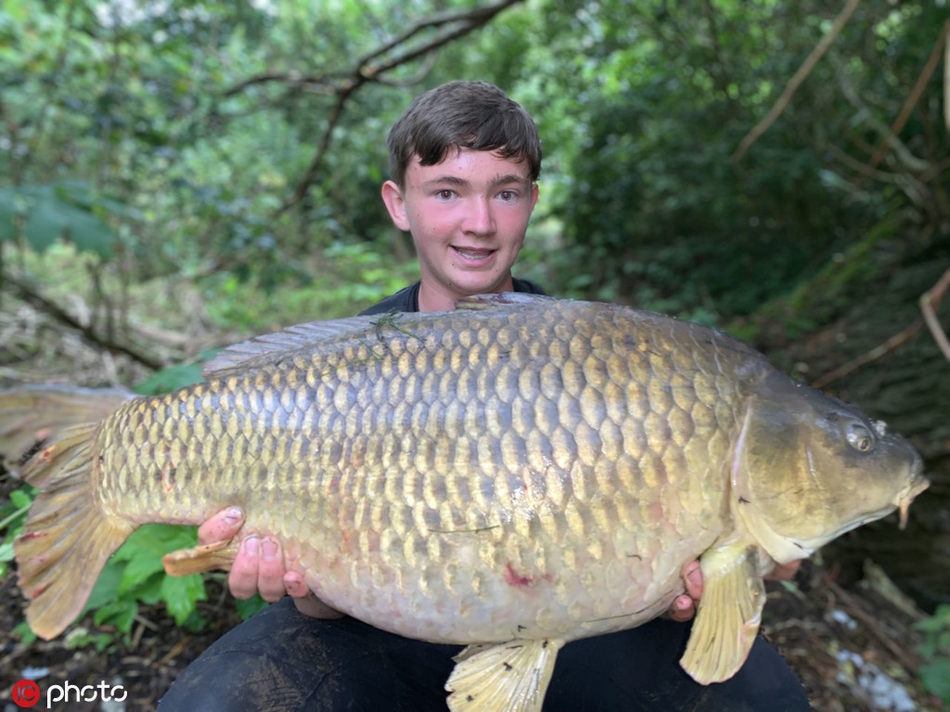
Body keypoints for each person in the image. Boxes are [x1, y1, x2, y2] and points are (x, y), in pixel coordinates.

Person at [158, 81, 808, 711]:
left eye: (506, 193)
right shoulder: (342, 374)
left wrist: (677, 574)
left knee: (765, 700)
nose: (479, 222)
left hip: (578, 631)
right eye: (447, 192)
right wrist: (296, 577)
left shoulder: (607, 357)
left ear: (531, 201)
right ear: (398, 203)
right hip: (382, 633)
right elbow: (323, 602)